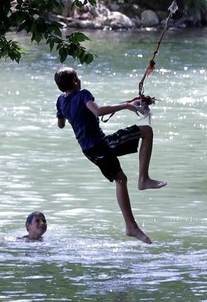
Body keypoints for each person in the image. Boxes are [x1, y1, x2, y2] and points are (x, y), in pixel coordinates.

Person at [54, 67, 166, 244]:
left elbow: (61, 124)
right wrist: (127, 105)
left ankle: (131, 227)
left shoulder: (60, 101)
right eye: (77, 77)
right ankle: (143, 179)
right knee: (147, 131)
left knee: (120, 179)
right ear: (75, 81)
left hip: (89, 151)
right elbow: (98, 111)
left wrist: (74, 115)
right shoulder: (83, 94)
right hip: (102, 145)